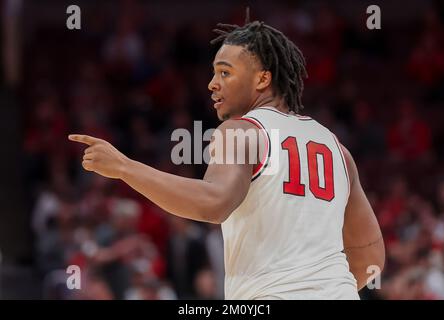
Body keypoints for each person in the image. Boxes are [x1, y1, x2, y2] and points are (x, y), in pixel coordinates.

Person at [68, 16, 385, 300]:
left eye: (225, 72)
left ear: (261, 79)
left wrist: (124, 167)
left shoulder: (241, 130)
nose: (212, 83)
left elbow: (213, 203)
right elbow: (371, 259)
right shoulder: (338, 150)